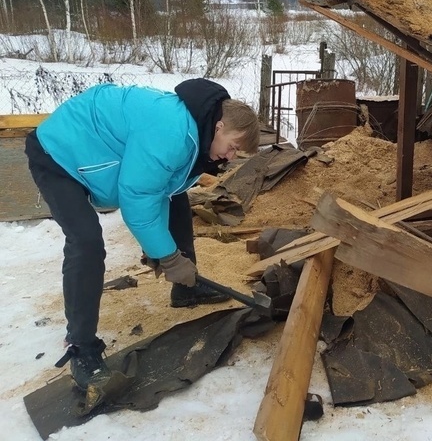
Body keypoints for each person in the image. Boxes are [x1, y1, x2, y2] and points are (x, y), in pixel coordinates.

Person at [25, 78, 260, 391]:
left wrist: (162, 250)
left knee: (177, 199)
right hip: (61, 153)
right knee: (86, 241)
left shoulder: (196, 134)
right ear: (219, 126)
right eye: (233, 147)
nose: (230, 157)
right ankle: (80, 346)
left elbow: (162, 188)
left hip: (94, 149)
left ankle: (185, 287)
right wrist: (166, 254)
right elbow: (138, 197)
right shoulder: (173, 131)